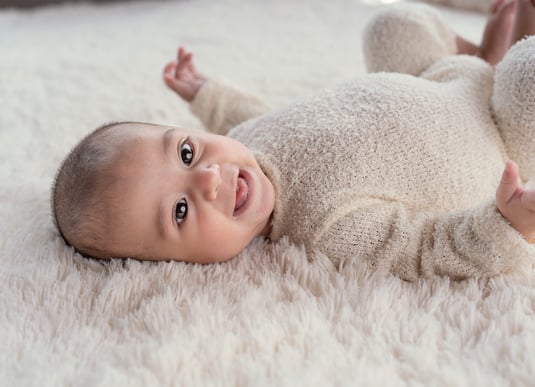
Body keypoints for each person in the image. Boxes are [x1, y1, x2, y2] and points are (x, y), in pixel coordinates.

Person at [52, 0, 535, 280]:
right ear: (175, 264)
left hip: (438, 80)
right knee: (526, 73)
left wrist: (205, 91)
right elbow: (426, 248)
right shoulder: (324, 229)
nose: (207, 178)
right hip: (499, 135)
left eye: (186, 152)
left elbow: (252, 116)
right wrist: (503, 224)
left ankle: (484, 56)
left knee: (393, 27)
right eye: (179, 211)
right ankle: (507, 54)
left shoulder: (245, 144)